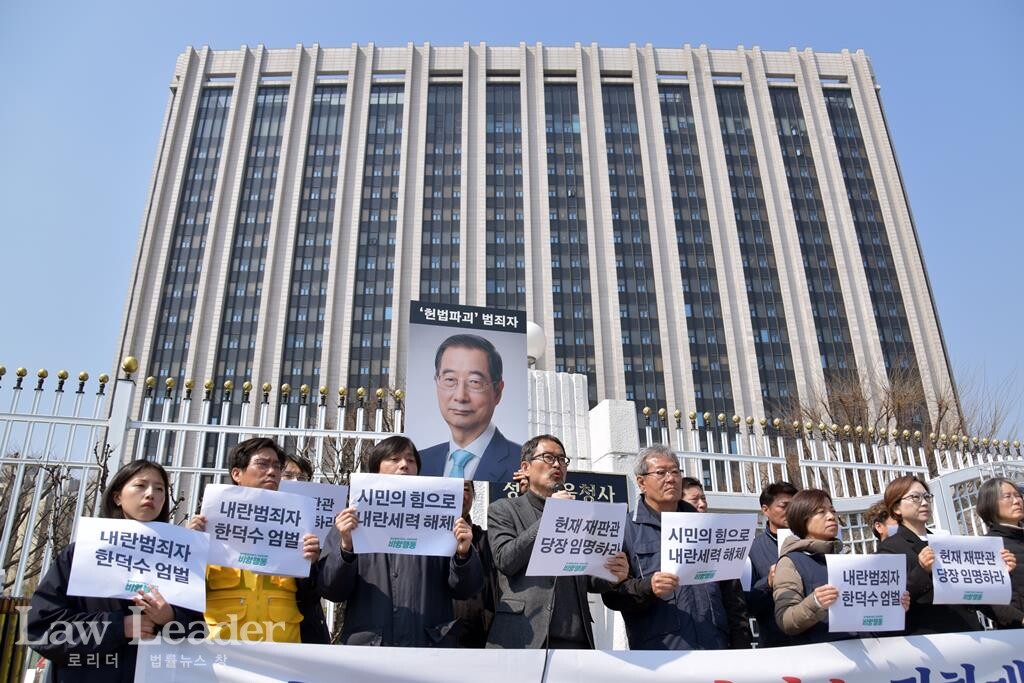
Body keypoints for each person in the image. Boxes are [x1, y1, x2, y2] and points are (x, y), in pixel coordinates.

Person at [27, 460, 204, 682]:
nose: (151, 494)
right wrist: (120, 627)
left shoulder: (180, 560)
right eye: (140, 485)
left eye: (159, 489)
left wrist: (170, 618)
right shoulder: (82, 553)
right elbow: (43, 629)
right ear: (117, 497)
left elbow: (201, 631)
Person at [318, 436, 484, 646]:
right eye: (394, 459)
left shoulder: (442, 518)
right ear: (375, 468)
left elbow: (467, 590)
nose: (404, 465)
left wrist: (463, 555)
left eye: (410, 460)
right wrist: (346, 548)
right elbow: (331, 589)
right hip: (370, 647)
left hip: (428, 645)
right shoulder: (351, 520)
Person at [485, 434, 629, 649]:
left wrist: (612, 576)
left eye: (562, 459)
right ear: (525, 467)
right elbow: (505, 559)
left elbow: (588, 579)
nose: (557, 464)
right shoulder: (503, 509)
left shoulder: (581, 514)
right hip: (524, 635)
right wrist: (551, 517)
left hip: (576, 638)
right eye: (548, 458)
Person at [603, 446, 750, 650]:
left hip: (716, 647)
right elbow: (613, 596)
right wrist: (648, 588)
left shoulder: (708, 527)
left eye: (675, 471)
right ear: (641, 482)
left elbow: (733, 596)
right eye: (661, 473)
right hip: (661, 652)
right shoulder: (625, 530)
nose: (671, 478)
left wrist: (740, 645)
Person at [187, 437, 328, 643]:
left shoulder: (299, 525)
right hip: (221, 649)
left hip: (283, 647)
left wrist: (311, 564)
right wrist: (190, 549)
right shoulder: (208, 523)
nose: (272, 471)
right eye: (262, 464)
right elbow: (187, 592)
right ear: (237, 473)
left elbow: (309, 597)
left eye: (276, 466)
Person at [876, 475, 1016, 635]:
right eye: (915, 497)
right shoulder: (891, 548)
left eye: (926, 497)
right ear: (896, 508)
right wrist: (922, 571)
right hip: (932, 642)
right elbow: (890, 600)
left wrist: (999, 573)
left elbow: (973, 593)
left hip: (971, 636)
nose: (924, 502)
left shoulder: (945, 543)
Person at [773, 488, 907, 644]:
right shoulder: (790, 562)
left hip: (867, 655)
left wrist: (892, 605)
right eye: (820, 512)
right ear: (801, 518)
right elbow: (786, 621)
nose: (831, 517)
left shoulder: (846, 559)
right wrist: (815, 602)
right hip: (824, 659)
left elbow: (865, 614)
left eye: (832, 511)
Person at [419, 334, 522, 482]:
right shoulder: (420, 463)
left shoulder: (523, 465)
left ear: (497, 391)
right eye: (450, 380)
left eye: (474, 382)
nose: (460, 396)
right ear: (437, 382)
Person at [745, 480, 797, 647]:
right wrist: (767, 583)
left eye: (795, 506)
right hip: (776, 641)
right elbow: (747, 604)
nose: (791, 511)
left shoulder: (812, 542)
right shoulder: (751, 549)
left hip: (817, 638)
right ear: (765, 510)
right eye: (784, 506)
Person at [453, 480, 496, 647]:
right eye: (452, 489)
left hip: (486, 640)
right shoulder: (427, 541)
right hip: (438, 640)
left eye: (465, 489)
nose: (459, 495)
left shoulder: (488, 540)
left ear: (472, 496)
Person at [977, 477, 1024, 628]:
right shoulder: (986, 546)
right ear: (990, 503)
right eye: (1008, 496)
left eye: (1018, 495)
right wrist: (1020, 618)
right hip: (1015, 633)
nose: (1016, 501)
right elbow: (985, 598)